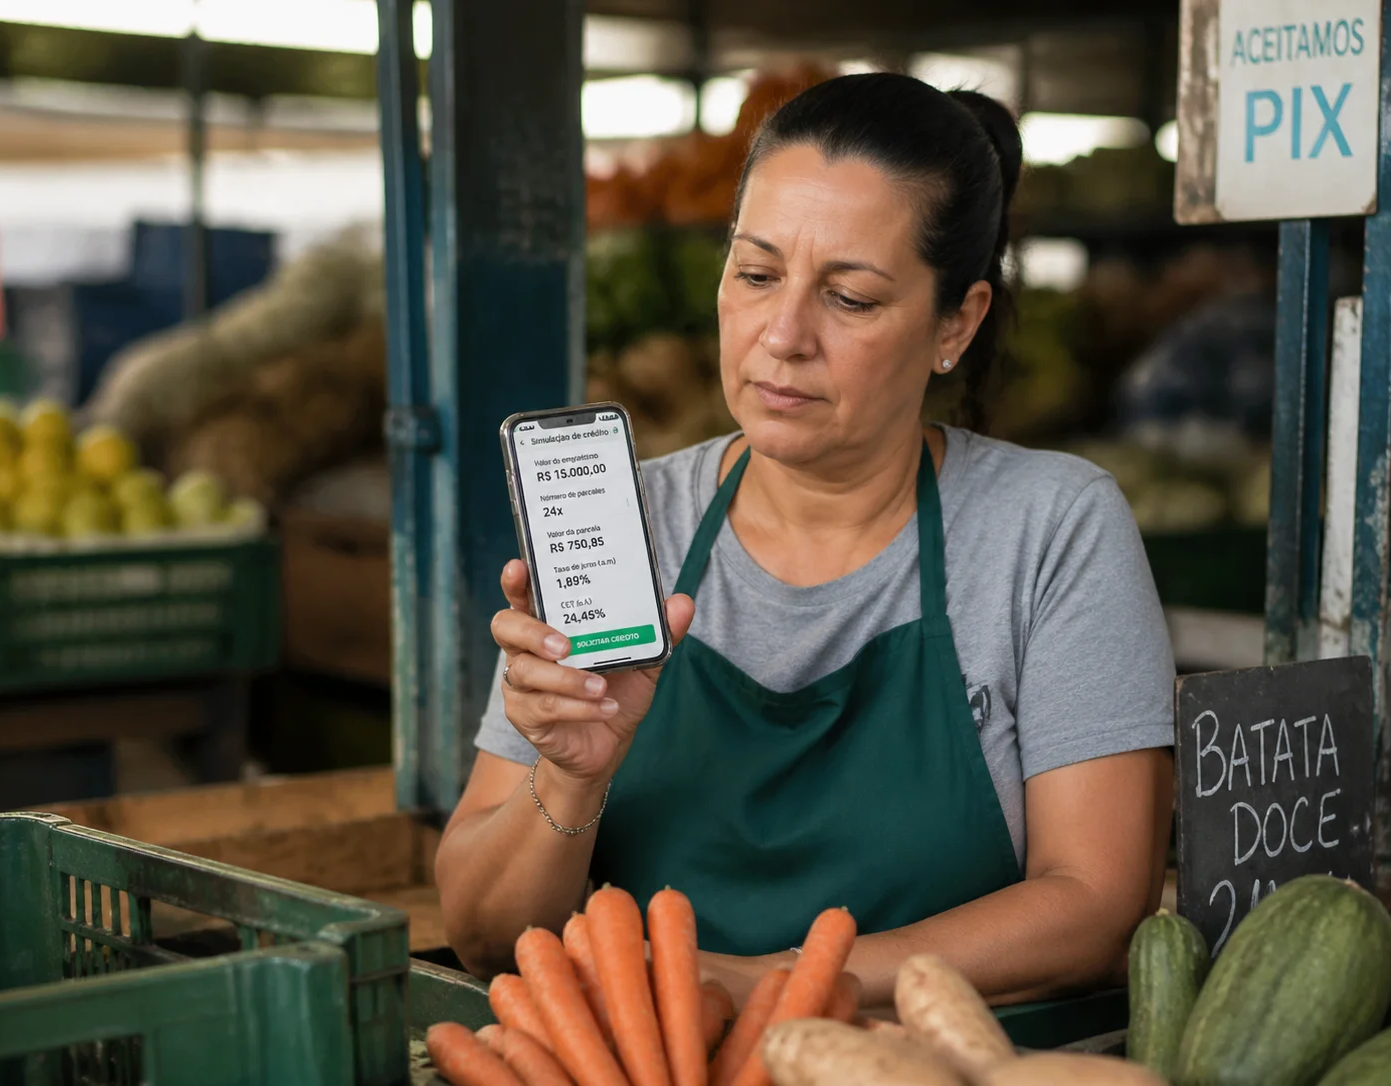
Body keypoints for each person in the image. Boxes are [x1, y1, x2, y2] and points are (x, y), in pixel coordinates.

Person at [435, 73, 1175, 1011]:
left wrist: (771, 987)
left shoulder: (1048, 528)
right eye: (755, 274)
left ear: (958, 322)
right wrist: (571, 779)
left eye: (851, 298)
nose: (782, 335)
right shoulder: (629, 526)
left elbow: (1097, 905)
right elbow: (481, 935)